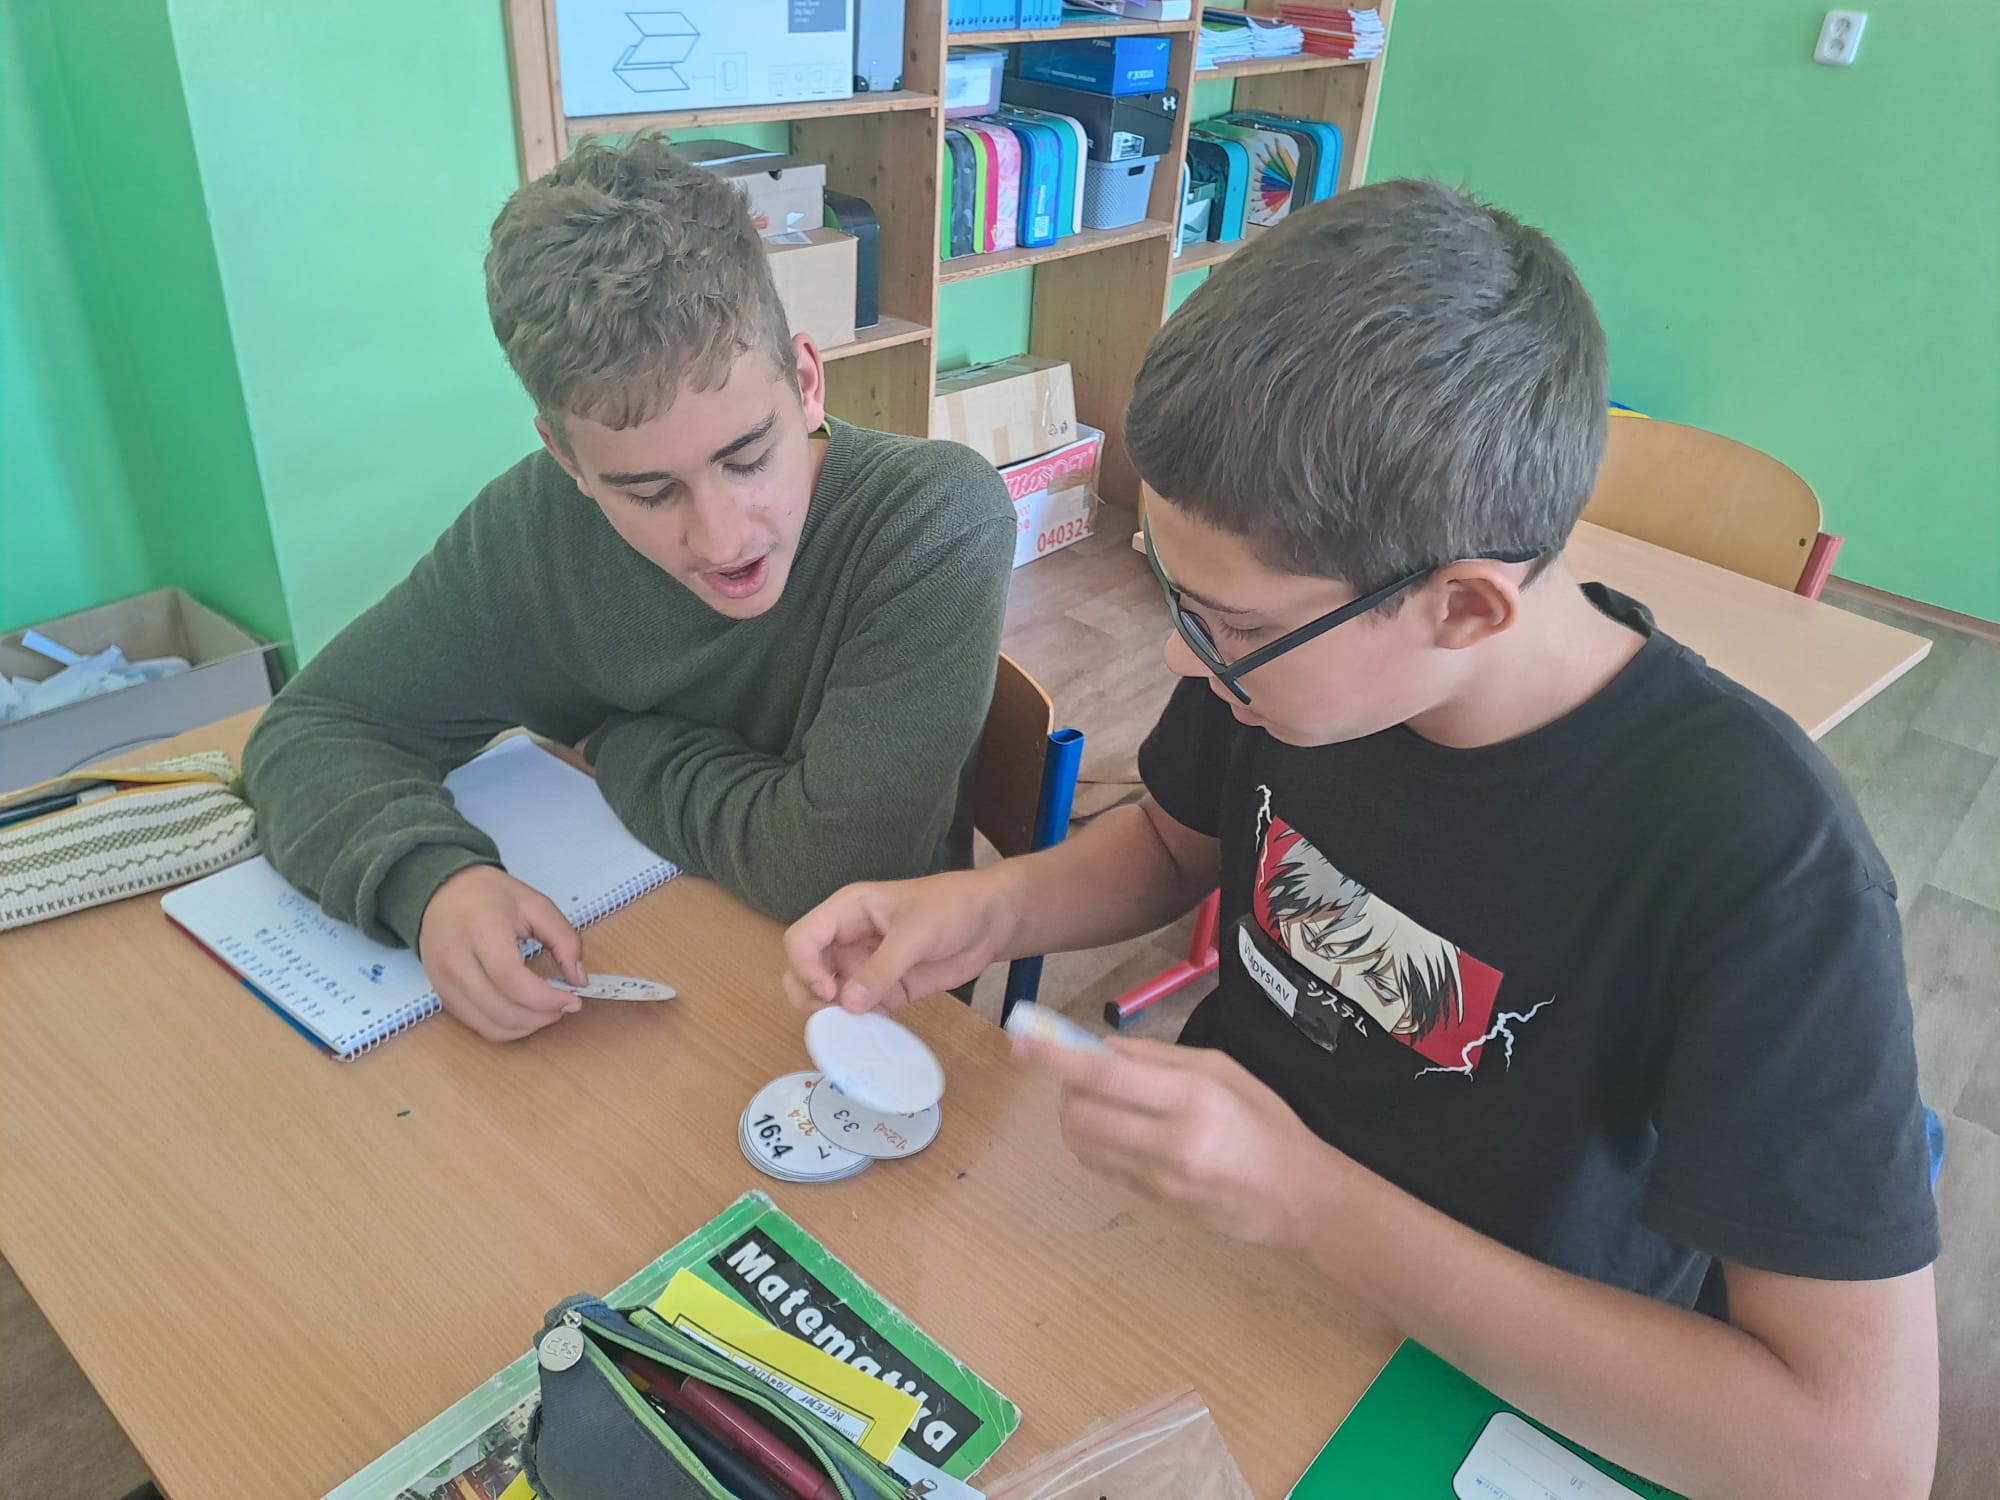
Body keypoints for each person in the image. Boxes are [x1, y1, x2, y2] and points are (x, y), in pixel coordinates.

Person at [783, 181, 1940, 1498]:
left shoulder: (1762, 867)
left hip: (1497, 1383)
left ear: (1464, 610)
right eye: (1177, 595)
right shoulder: (1290, 664)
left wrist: (1309, 1198)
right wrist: (984, 909)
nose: (1179, 655)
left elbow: (1853, 1458)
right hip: (1221, 1258)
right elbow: (1173, 847)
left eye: (1224, 623)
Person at [244, 136, 1014, 1043]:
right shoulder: (530, 534)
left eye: (747, 457)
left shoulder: (931, 518)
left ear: (806, 381)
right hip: (638, 961)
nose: (722, 538)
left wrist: (624, 745)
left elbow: (831, 868)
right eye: (648, 492)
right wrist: (434, 881)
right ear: (566, 460)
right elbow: (313, 727)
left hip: (865, 1014)